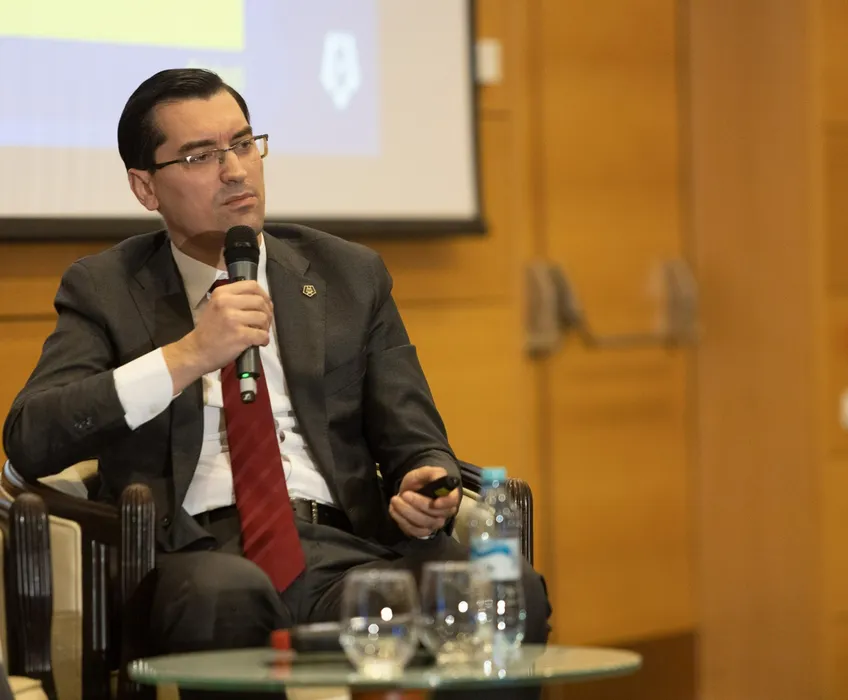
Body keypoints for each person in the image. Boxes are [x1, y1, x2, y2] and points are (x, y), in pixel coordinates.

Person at [2, 68, 550, 700]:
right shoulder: (105, 287)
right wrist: (186, 355)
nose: (235, 170)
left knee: (508, 591)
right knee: (225, 596)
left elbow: (416, 440)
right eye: (201, 156)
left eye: (243, 144)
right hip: (198, 556)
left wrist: (425, 484)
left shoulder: (348, 275)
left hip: (344, 554)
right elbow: (32, 437)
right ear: (145, 187)